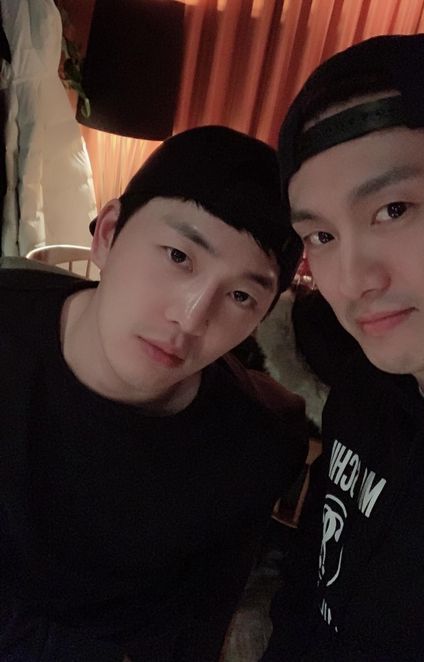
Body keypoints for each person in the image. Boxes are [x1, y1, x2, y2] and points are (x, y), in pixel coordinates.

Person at [263, 34, 424, 660]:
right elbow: (307, 586)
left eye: (393, 209)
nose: (353, 282)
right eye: (322, 236)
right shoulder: (366, 380)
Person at [0, 125, 308, 661]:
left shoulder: (256, 440)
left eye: (240, 296)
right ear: (108, 234)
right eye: (178, 256)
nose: (190, 319)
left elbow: (191, 632)